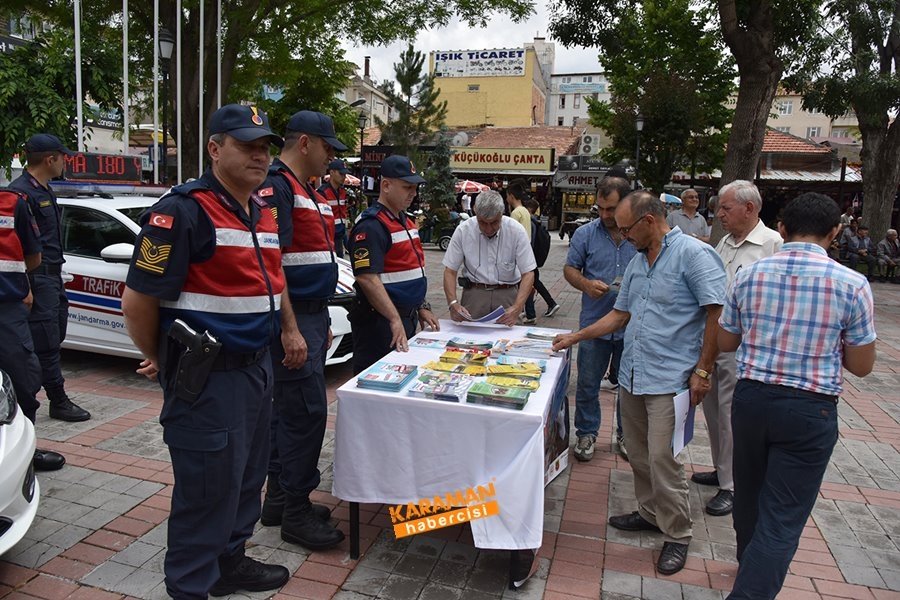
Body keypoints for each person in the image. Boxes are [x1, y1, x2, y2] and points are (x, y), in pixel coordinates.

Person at [121, 104, 290, 599]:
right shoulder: (182, 211)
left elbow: (272, 283)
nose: (260, 155)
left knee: (247, 479)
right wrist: (162, 356)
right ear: (215, 149)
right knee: (205, 492)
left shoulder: (260, 210)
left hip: (256, 370)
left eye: (265, 146)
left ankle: (229, 563)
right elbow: (137, 301)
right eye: (246, 145)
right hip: (209, 381)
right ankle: (190, 586)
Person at [553, 190, 726, 576]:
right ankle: (650, 513)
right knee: (638, 451)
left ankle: (678, 533)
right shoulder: (637, 261)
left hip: (670, 379)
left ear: (649, 221)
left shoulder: (694, 256)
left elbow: (716, 313)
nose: (623, 235)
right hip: (633, 374)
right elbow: (620, 315)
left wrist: (703, 371)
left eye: (627, 229)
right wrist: (575, 337)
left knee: (664, 459)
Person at [719, 192, 876, 600]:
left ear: (783, 228)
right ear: (835, 232)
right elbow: (861, 365)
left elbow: (726, 341)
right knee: (783, 517)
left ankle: (749, 569)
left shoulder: (750, 275)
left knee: (749, 498)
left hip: (752, 400)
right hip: (810, 409)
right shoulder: (852, 284)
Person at [257, 111, 347, 550]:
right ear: (306, 143)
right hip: (293, 318)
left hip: (311, 314)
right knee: (306, 415)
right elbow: (272, 264)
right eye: (328, 148)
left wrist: (319, 320)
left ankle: (279, 500)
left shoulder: (305, 188)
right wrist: (291, 327)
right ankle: (295, 511)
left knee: (289, 412)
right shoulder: (278, 187)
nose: (332, 157)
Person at [691, 181, 782, 518]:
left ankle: (732, 486)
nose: (719, 215)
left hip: (744, 347)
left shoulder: (773, 244)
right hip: (714, 340)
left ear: (749, 208)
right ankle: (721, 469)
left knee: (732, 416)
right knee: (713, 412)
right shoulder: (725, 242)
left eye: (726, 208)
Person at [8, 134, 91, 422]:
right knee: (45, 342)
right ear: (49, 159)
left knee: (54, 336)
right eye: (62, 156)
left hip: (53, 277)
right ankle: (56, 399)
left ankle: (40, 396)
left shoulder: (45, 190)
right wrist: (26, 285)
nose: (65, 162)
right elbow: (16, 247)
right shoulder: (20, 194)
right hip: (36, 278)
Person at [563, 175, 636, 463]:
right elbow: (570, 269)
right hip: (594, 323)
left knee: (629, 385)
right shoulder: (585, 234)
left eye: (611, 209)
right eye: (600, 208)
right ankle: (586, 432)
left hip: (632, 325)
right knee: (587, 383)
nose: (605, 215)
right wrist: (585, 284)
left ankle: (626, 434)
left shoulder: (638, 234)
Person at [346, 155, 439, 374]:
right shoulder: (372, 225)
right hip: (381, 322)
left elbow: (408, 270)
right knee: (378, 378)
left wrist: (421, 306)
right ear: (386, 186)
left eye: (415, 187)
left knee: (399, 375)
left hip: (402, 318)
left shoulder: (404, 221)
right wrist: (394, 318)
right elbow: (367, 278)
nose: (413, 193)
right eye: (407, 187)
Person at [0, 189, 66, 472]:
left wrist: (19, 285)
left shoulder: (13, 203)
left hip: (6, 309)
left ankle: (22, 453)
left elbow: (33, 257)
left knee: (23, 381)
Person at [442, 190, 535, 326]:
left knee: (510, 337)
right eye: (483, 223)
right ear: (476, 213)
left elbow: (528, 273)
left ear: (502, 214)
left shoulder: (516, 231)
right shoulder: (463, 230)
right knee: (470, 335)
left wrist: (518, 306)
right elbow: (450, 270)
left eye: (494, 222)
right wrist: (453, 303)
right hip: (474, 294)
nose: (488, 228)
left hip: (507, 294)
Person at [523, 197, 560, 322]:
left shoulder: (530, 223)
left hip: (530, 259)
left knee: (531, 283)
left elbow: (531, 243)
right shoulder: (535, 222)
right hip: (533, 259)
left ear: (528, 209)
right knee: (535, 282)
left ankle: (533, 311)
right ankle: (549, 304)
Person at [318, 159, 351, 258]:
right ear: (332, 172)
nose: (344, 177)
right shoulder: (322, 192)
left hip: (340, 236)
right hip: (327, 238)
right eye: (341, 174)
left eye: (345, 174)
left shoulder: (342, 192)